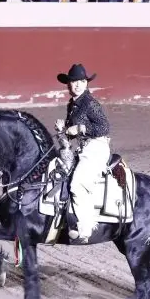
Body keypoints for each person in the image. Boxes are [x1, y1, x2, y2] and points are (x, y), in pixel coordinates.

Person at [53, 63, 111, 243]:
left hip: (96, 148)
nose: (76, 85)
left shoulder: (90, 103)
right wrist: (63, 130)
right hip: (83, 149)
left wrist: (79, 128)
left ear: (86, 83)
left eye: (80, 81)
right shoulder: (73, 105)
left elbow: (104, 127)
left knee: (78, 184)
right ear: (68, 85)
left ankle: (85, 230)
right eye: (72, 82)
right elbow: (71, 136)